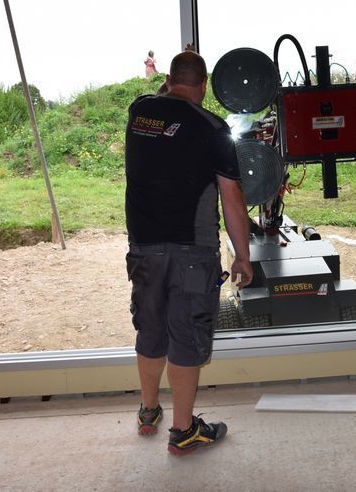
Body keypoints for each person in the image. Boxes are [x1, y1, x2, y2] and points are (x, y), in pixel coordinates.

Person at [124, 49, 252, 456]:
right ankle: (183, 431)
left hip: (143, 246)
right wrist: (243, 256)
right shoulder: (212, 128)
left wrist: (173, 87)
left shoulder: (139, 112)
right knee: (185, 335)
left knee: (150, 327)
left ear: (169, 79)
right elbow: (232, 201)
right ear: (203, 85)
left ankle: (148, 410)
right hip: (192, 252)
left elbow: (163, 100)